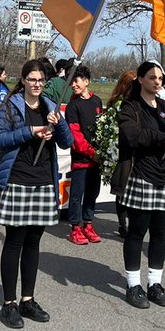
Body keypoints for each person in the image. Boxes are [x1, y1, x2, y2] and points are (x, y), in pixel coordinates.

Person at [0, 59, 73, 328]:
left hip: (43, 180)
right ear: (24, 80)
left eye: (41, 81)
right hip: (17, 179)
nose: (37, 84)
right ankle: (9, 303)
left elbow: (67, 142)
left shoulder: (51, 107)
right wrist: (30, 131)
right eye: (32, 79)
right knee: (15, 241)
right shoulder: (10, 106)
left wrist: (59, 124)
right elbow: (0, 138)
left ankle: (28, 299)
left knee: (34, 242)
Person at [113, 61, 165, 309]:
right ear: (141, 80)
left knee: (160, 234)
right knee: (136, 233)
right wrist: (163, 137)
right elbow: (132, 135)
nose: (157, 81)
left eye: (160, 78)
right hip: (142, 176)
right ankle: (133, 285)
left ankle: (155, 284)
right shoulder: (130, 107)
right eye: (152, 77)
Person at [64, 65, 103, 245]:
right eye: (71, 82)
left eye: (76, 81)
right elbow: (75, 135)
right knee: (77, 194)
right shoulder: (73, 106)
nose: (73, 85)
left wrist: (102, 151)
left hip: (97, 159)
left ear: (86, 81)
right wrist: (91, 152)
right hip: (81, 159)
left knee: (92, 192)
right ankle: (75, 227)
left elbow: (102, 127)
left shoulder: (97, 101)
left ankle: (88, 223)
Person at [96, 70, 137, 238]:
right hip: (120, 152)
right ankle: (122, 224)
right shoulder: (117, 103)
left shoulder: (138, 103)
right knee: (122, 190)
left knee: (133, 190)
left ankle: (133, 223)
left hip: (135, 152)